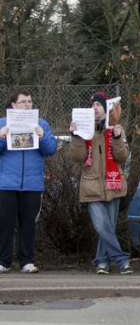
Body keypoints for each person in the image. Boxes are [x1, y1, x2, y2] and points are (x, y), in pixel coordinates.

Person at [69, 91, 133, 275]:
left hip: (114, 184)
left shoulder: (116, 128)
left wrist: (117, 138)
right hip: (91, 186)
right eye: (93, 105)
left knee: (108, 228)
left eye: (98, 105)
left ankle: (102, 262)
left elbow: (123, 157)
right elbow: (77, 157)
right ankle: (122, 260)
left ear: (106, 109)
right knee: (101, 225)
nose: (95, 108)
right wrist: (75, 136)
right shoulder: (83, 129)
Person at [0, 91, 57, 273]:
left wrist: (42, 136)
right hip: (6, 184)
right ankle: (3, 261)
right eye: (23, 101)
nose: (27, 104)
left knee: (28, 225)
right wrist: (1, 137)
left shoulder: (41, 124)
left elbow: (51, 150)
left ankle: (26, 261)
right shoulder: (2, 123)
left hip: (32, 184)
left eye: (30, 101)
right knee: (4, 224)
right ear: (13, 105)